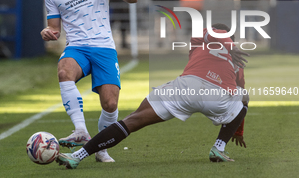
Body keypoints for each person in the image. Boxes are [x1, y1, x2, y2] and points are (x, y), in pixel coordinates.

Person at [55, 23, 250, 169]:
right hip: (217, 97)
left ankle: (77, 156)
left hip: (185, 88)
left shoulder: (198, 42)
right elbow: (241, 97)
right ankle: (219, 147)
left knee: (132, 120)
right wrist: (237, 131)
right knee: (244, 96)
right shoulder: (236, 59)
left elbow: (208, 34)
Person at [40, 0, 138, 163]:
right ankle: (81, 130)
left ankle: (101, 149)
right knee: (64, 71)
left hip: (104, 47)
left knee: (111, 104)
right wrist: (47, 33)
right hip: (77, 47)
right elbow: (53, 29)